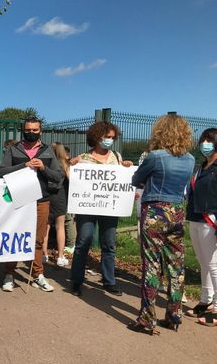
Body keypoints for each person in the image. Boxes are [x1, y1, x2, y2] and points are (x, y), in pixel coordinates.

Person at [128, 114, 194, 334]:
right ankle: (174, 314)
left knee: (151, 266)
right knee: (176, 266)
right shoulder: (190, 159)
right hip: (177, 213)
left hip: (155, 212)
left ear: (160, 132)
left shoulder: (155, 156)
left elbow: (135, 180)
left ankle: (147, 319)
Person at [0, 117, 64, 292]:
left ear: (40, 131)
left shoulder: (48, 150)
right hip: (17, 201)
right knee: (14, 236)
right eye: (28, 130)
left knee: (38, 238)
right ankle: (9, 273)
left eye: (35, 130)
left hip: (41, 200)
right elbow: (1, 172)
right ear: (23, 130)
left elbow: (58, 176)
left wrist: (43, 168)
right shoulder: (14, 149)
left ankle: (37, 275)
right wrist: (23, 165)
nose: (31, 133)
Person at [70, 121, 133, 297]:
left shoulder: (117, 158)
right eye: (107, 137)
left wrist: (126, 168)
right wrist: (72, 165)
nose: (110, 140)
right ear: (97, 137)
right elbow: (71, 178)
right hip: (87, 207)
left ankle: (109, 281)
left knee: (109, 244)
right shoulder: (83, 158)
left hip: (110, 208)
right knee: (83, 241)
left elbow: (124, 180)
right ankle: (76, 281)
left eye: (112, 137)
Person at [185, 128, 217, 327]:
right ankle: (206, 299)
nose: (204, 144)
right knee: (202, 261)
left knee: (214, 264)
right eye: (203, 140)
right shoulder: (202, 166)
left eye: (209, 140)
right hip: (195, 217)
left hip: (211, 219)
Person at [44, 142, 70, 267]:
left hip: (47, 196)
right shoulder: (65, 165)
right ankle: (60, 256)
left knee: (45, 227)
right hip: (61, 197)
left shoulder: (46, 164)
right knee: (60, 227)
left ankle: (44, 255)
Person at [63, 146, 76, 254]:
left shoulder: (68, 165)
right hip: (70, 196)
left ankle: (71, 245)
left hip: (68, 196)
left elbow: (71, 179)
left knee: (68, 220)